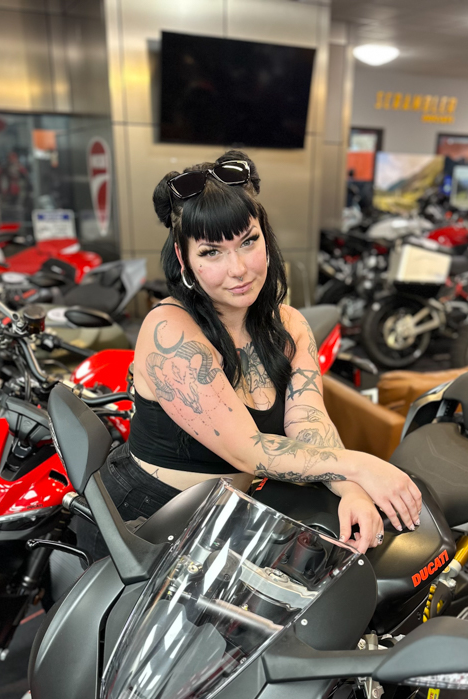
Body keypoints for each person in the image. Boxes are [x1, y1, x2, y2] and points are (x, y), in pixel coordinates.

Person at [83, 150, 421, 560]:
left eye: (248, 242)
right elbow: (248, 449)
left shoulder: (290, 325)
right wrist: (360, 466)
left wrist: (350, 490)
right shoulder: (169, 329)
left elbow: (308, 422)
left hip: (231, 517)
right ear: (184, 259)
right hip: (145, 521)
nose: (239, 268)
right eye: (211, 252)